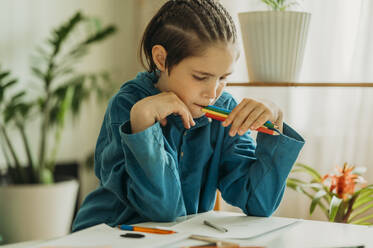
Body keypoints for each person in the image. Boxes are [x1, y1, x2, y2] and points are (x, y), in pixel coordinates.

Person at [72, 0, 304, 232]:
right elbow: (163, 211)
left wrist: (275, 121)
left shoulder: (224, 109)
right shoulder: (127, 104)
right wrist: (142, 122)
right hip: (106, 235)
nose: (213, 93)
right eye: (201, 77)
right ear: (161, 59)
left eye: (223, 78)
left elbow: (259, 203)